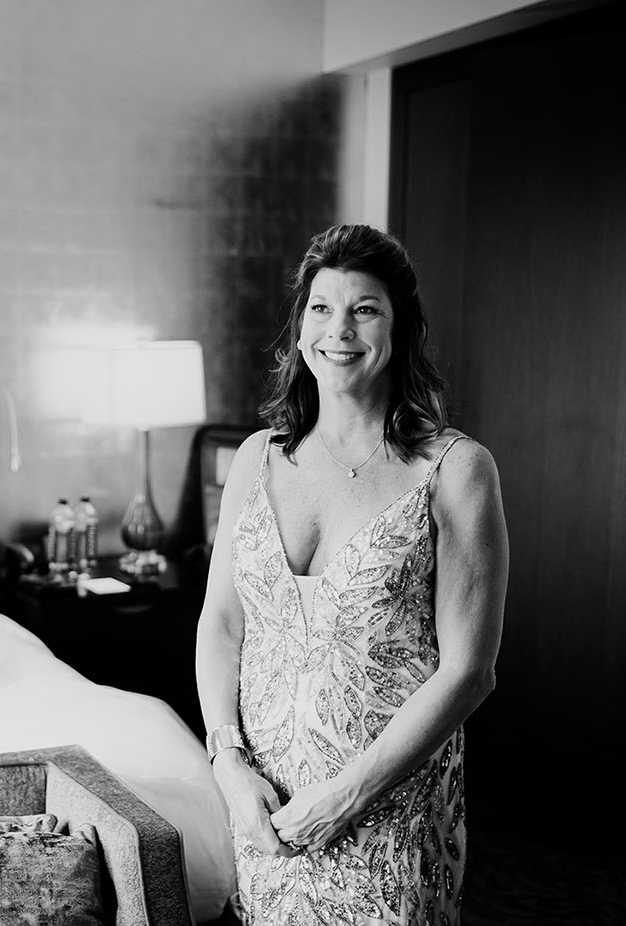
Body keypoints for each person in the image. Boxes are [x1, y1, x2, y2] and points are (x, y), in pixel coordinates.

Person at [196, 224, 508, 924]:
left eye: (364, 308)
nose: (338, 329)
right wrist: (226, 762)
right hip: (265, 806)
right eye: (320, 308)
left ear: (400, 328)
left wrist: (346, 796)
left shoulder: (454, 470)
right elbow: (221, 623)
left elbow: (470, 670)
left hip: (386, 811)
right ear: (299, 326)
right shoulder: (254, 458)